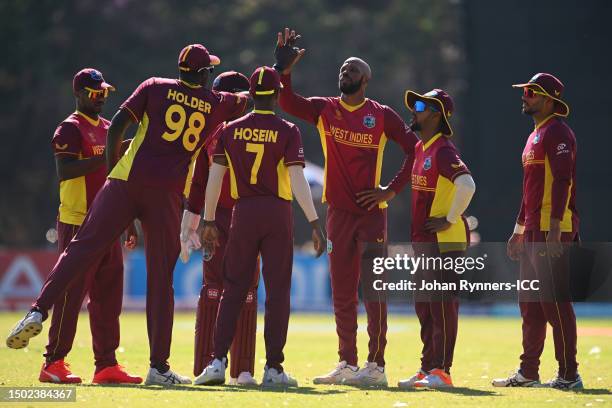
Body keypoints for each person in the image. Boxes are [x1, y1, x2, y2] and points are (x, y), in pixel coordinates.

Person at [7, 44, 248, 386]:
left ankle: (37, 310)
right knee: (160, 279)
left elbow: (117, 126)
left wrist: (112, 174)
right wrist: (278, 69)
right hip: (165, 192)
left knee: (79, 249)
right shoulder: (215, 103)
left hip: (125, 181)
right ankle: (158, 366)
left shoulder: (153, 86)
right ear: (204, 74)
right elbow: (254, 96)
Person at [273, 28, 418, 386]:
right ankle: (347, 363)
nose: (345, 73)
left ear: (365, 80)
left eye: (353, 70)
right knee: (341, 291)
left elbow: (415, 149)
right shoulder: (326, 110)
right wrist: (284, 71)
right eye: (342, 69)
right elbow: (288, 103)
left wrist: (390, 191)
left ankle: (377, 365)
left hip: (372, 215)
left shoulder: (381, 115)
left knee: (374, 290)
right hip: (337, 214)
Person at [194, 66, 325, 387]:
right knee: (277, 292)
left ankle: (217, 362)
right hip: (277, 212)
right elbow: (296, 179)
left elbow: (215, 178)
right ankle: (273, 368)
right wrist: (314, 221)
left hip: (244, 212)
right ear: (278, 95)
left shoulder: (230, 130)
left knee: (233, 287)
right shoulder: (288, 130)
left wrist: (208, 219)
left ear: (251, 95)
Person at [29, 68, 141, 385]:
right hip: (78, 220)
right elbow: (66, 172)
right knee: (70, 294)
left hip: (109, 222)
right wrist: (112, 154)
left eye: (104, 92)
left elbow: (117, 179)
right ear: (78, 94)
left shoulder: (109, 128)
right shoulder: (70, 128)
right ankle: (53, 362)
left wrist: (129, 223)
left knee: (108, 297)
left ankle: (106, 365)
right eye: (95, 93)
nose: (101, 98)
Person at [493, 73, 582, 389]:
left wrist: (556, 227)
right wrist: (519, 230)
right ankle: (528, 372)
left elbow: (562, 181)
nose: (524, 96)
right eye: (525, 92)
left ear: (548, 99)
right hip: (534, 229)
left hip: (550, 229)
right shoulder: (535, 135)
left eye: (530, 92)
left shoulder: (557, 131)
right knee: (529, 304)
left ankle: (569, 374)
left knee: (554, 302)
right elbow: (529, 190)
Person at [181, 71, 260, 385]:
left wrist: (191, 225)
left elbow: (199, 184)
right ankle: (243, 371)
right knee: (246, 291)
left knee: (213, 289)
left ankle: (206, 366)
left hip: (220, 217)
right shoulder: (258, 128)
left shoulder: (211, 133)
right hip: (249, 216)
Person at [397, 89, 475, 389]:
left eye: (419, 106)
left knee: (441, 307)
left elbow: (467, 184)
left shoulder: (443, 150)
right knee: (425, 308)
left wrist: (451, 218)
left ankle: (442, 370)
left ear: (435, 113)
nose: (413, 111)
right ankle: (428, 367)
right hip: (426, 243)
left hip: (445, 242)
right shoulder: (421, 148)